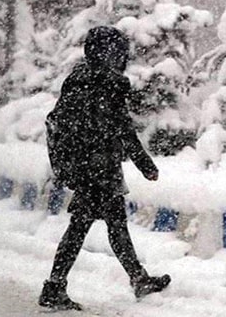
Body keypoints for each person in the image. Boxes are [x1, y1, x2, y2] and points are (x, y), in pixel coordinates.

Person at [39, 26, 171, 311]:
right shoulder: (107, 84)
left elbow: (69, 123)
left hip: (85, 166)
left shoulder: (76, 80)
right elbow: (124, 130)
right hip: (99, 168)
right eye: (118, 51)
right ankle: (55, 285)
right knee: (90, 227)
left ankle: (136, 278)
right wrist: (146, 164)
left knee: (106, 225)